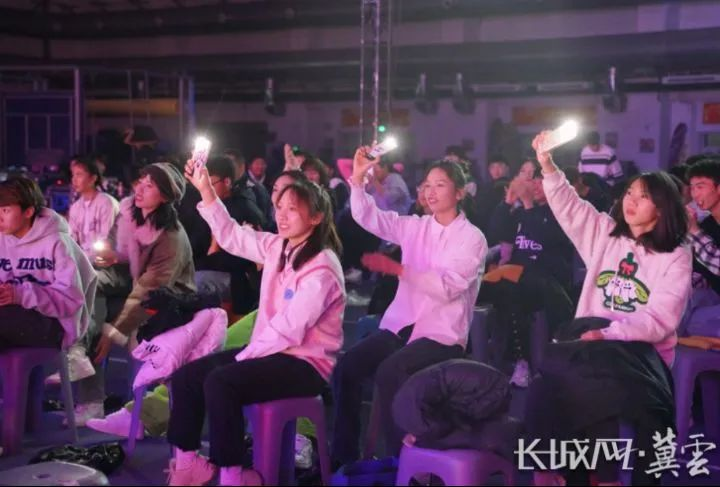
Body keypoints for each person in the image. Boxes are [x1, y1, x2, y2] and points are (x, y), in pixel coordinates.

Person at [87, 169, 310, 441]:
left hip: (295, 340)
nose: (279, 205)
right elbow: (228, 235)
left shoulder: (317, 259)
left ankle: (300, 438)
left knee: (223, 359)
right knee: (197, 356)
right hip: (262, 319)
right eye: (276, 193)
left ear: (313, 210)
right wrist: (205, 189)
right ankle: (146, 417)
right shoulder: (274, 243)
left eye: (291, 203)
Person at [164, 160, 345, 486]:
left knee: (221, 382)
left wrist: (245, 357)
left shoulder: (322, 267)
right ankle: (187, 464)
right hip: (271, 352)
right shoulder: (279, 246)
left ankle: (233, 475)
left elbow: (289, 329)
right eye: (280, 207)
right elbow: (232, 236)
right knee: (186, 376)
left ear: (316, 218)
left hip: (305, 364)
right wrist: (206, 190)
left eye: (293, 209)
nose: (282, 215)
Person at [527, 130, 691, 486]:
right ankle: (559, 472)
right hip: (592, 344)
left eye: (643, 197)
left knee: (598, 387)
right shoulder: (607, 234)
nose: (631, 201)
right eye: (629, 192)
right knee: (546, 386)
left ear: (662, 208)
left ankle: (605, 477)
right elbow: (569, 206)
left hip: (642, 356)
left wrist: (609, 333)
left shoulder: (675, 255)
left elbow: (660, 319)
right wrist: (547, 164)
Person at [331, 153, 487, 467]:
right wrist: (358, 181)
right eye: (427, 184)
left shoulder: (472, 238)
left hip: (441, 335)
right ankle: (344, 457)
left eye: (440, 185)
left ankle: (401, 463)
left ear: (459, 192)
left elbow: (449, 288)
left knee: (391, 371)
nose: (430, 191)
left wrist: (400, 270)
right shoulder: (416, 227)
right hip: (401, 326)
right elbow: (370, 218)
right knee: (346, 367)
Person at [94, 163, 196, 366]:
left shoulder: (170, 238)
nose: (139, 189)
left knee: (136, 340)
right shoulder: (129, 214)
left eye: (149, 186)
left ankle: (145, 384)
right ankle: (85, 364)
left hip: (168, 301)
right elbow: (113, 243)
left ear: (165, 197)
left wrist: (113, 332)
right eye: (140, 182)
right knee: (90, 285)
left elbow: (150, 291)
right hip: (133, 285)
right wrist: (112, 255)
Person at [0, 177, 97, 354]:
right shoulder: (2, 239)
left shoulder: (57, 243)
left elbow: (70, 300)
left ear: (28, 212)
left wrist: (20, 295)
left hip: (54, 322)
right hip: (12, 314)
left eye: (5, 210)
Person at [193, 156, 264, 314]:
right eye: (203, 184)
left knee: (196, 282)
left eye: (211, 184)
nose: (206, 189)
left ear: (227, 182)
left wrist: (210, 255)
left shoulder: (243, 208)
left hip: (237, 279)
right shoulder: (204, 206)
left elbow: (241, 259)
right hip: (209, 266)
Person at [683, 159, 720, 336]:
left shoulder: (699, 229)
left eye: (700, 187)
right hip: (713, 297)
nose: (695, 194)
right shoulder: (708, 225)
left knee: (694, 322)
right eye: (692, 188)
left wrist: (694, 231)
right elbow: (700, 272)